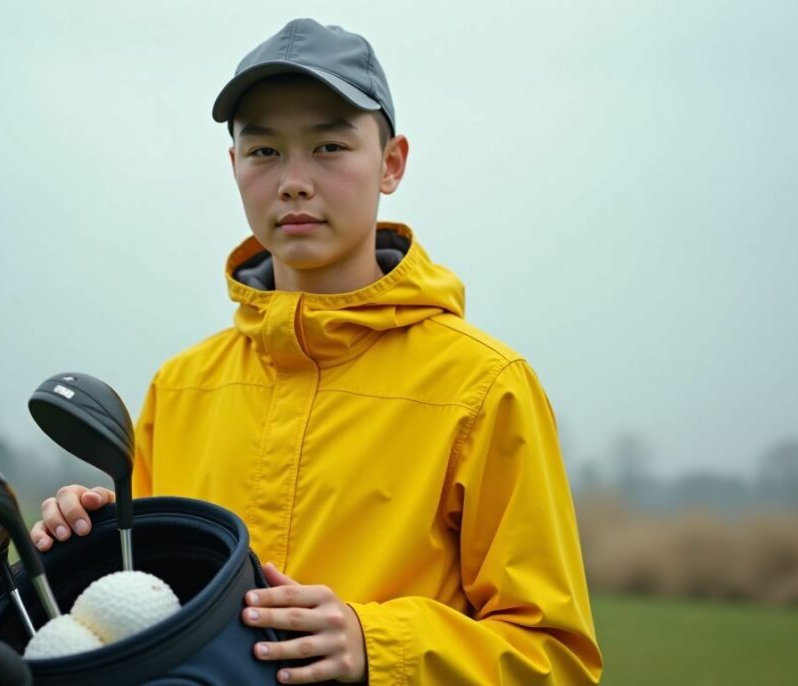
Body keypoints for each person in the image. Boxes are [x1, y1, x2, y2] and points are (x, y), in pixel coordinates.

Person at [31, 18, 603, 684]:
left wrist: (376, 646)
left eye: (330, 146)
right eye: (265, 151)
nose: (294, 181)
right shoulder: (181, 387)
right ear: (234, 166)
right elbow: (148, 617)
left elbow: (556, 658)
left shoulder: (485, 386)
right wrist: (90, 547)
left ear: (392, 164)